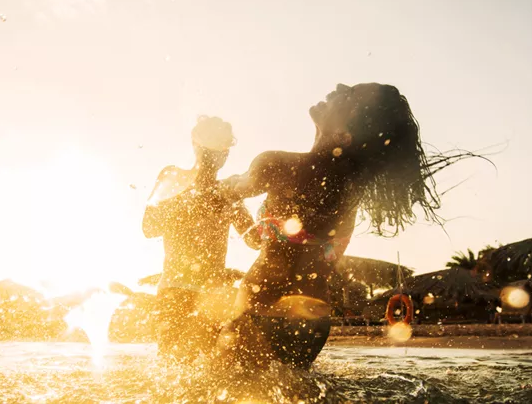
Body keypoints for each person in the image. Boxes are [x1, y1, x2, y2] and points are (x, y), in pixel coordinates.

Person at [218, 83, 446, 369]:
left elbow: (226, 193)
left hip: (261, 304)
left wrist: (218, 189)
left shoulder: (276, 165)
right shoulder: (348, 194)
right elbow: (271, 241)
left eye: (349, 95)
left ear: (344, 135)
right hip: (314, 317)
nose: (339, 87)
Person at [143, 115, 261, 362]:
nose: (216, 155)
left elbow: (254, 240)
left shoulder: (229, 191)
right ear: (195, 144)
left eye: (222, 148)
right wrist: (194, 201)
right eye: (210, 146)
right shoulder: (173, 177)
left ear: (227, 153)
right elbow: (149, 227)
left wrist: (282, 214)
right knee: (172, 364)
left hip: (213, 294)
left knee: (209, 366)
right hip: (175, 287)